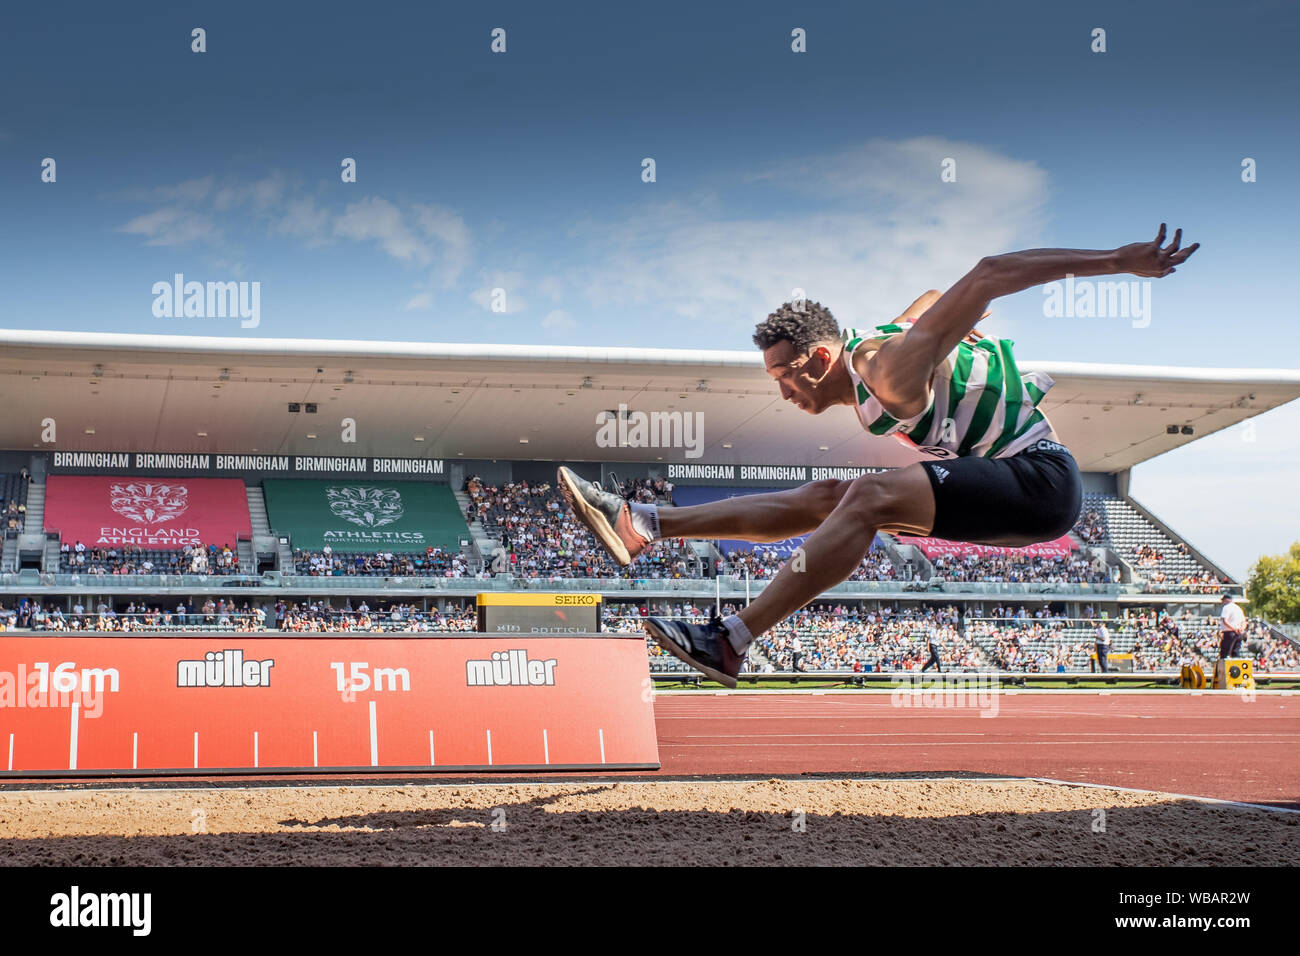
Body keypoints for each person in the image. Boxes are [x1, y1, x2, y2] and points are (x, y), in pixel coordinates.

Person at [558, 225, 1199, 686]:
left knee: (865, 496)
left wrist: (1119, 260)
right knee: (826, 496)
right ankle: (644, 524)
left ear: (817, 359)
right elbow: (926, 301)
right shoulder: (880, 350)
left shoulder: (888, 371)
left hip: (1038, 481)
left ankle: (730, 641)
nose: (782, 394)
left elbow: (990, 273)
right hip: (1004, 475)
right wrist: (943, 325)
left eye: (784, 377)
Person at [1218, 594, 1246, 660]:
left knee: (1225, 653)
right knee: (1235, 653)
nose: (1222, 602)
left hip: (1229, 633)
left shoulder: (1226, 607)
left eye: (1223, 600)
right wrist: (1241, 629)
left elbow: (1225, 620)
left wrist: (1234, 629)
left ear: (1227, 600)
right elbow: (1244, 621)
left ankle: (1225, 669)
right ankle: (1235, 669)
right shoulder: (1238, 608)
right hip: (1239, 633)